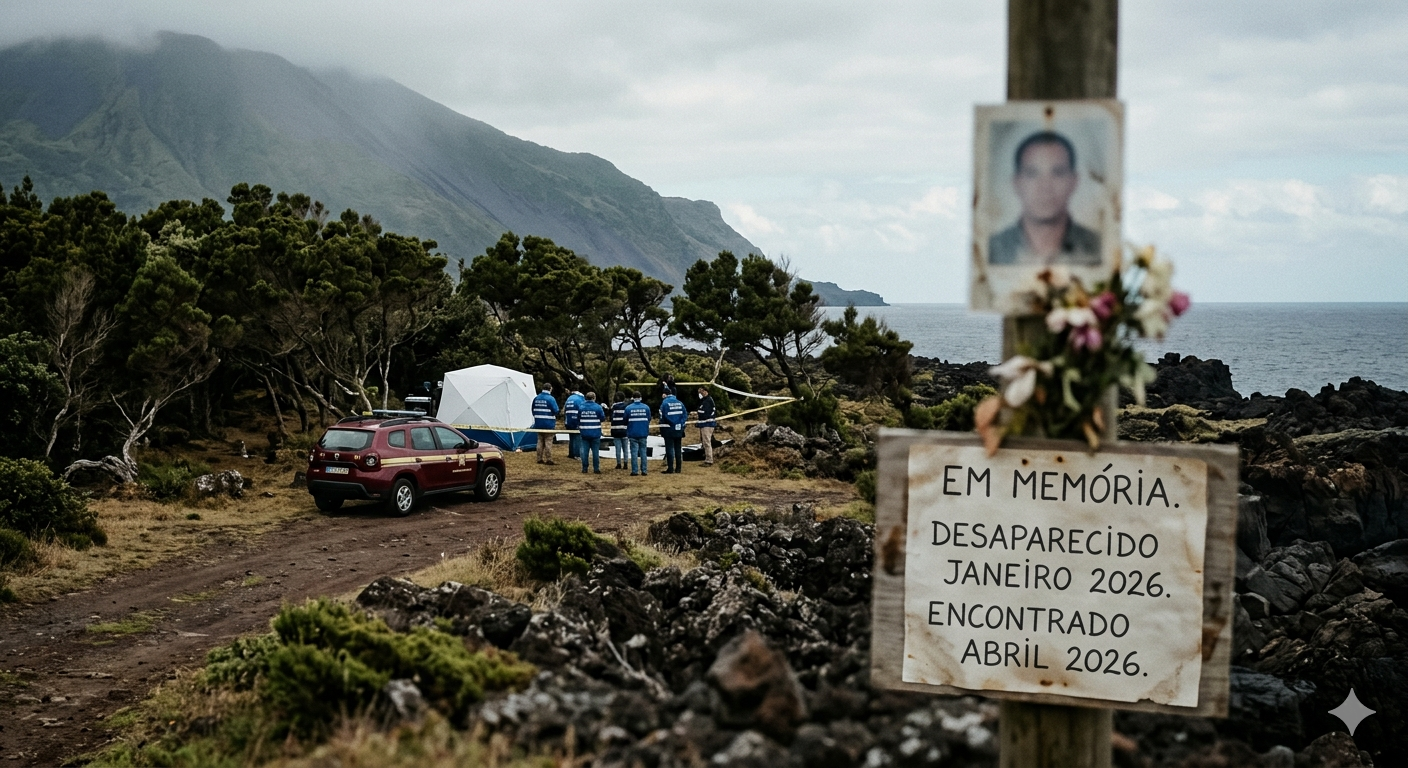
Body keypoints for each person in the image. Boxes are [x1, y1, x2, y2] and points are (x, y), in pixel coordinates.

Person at [988, 130, 1101, 267]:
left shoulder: (1099, 248)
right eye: (1032, 173)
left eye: (1057, 173)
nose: (1045, 187)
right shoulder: (991, 250)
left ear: (1074, 181)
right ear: (1016, 183)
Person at [659, 387, 688, 474]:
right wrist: (679, 424)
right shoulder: (680, 402)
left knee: (669, 449)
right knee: (678, 448)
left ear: (664, 394)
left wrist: (670, 424)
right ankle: (678, 468)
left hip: (668, 429)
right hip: (679, 429)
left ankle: (670, 468)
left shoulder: (664, 403)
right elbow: (685, 415)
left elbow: (662, 417)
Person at [624, 391, 652, 476]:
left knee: (634, 452)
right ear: (641, 397)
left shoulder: (628, 408)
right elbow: (649, 419)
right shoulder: (646, 408)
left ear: (633, 398)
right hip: (643, 432)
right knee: (643, 452)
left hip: (632, 433)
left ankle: (635, 471)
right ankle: (644, 470)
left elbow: (625, 420)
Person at [577, 392, 605, 474]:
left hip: (584, 432)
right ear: (594, 398)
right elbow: (602, 418)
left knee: (584, 452)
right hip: (595, 432)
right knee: (595, 452)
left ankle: (584, 468)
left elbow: (578, 419)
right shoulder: (598, 407)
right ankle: (596, 468)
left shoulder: (581, 407)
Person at [531, 385, 559, 465]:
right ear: (550, 389)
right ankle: (549, 459)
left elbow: (533, 410)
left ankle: (539, 458)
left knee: (540, 441)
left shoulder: (536, 398)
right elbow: (556, 410)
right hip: (548, 424)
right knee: (548, 441)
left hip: (538, 423)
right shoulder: (551, 399)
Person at [695, 386, 717, 466]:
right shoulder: (704, 400)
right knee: (705, 442)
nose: (700, 394)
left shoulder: (708, 401)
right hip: (704, 423)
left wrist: (698, 414)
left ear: (705, 391)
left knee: (707, 442)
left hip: (707, 424)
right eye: (699, 392)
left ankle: (709, 460)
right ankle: (707, 457)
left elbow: (704, 413)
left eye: (701, 392)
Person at [563, 388, 585, 459]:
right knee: (577, 437)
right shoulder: (580, 398)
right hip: (576, 421)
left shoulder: (569, 398)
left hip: (568, 421)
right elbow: (583, 409)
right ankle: (577, 454)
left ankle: (571, 453)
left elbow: (564, 410)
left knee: (571, 437)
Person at [609, 394, 629, 469]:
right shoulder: (626, 406)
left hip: (615, 430)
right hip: (624, 429)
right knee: (625, 448)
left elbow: (611, 417)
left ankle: (618, 463)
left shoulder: (613, 407)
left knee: (618, 448)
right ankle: (626, 463)